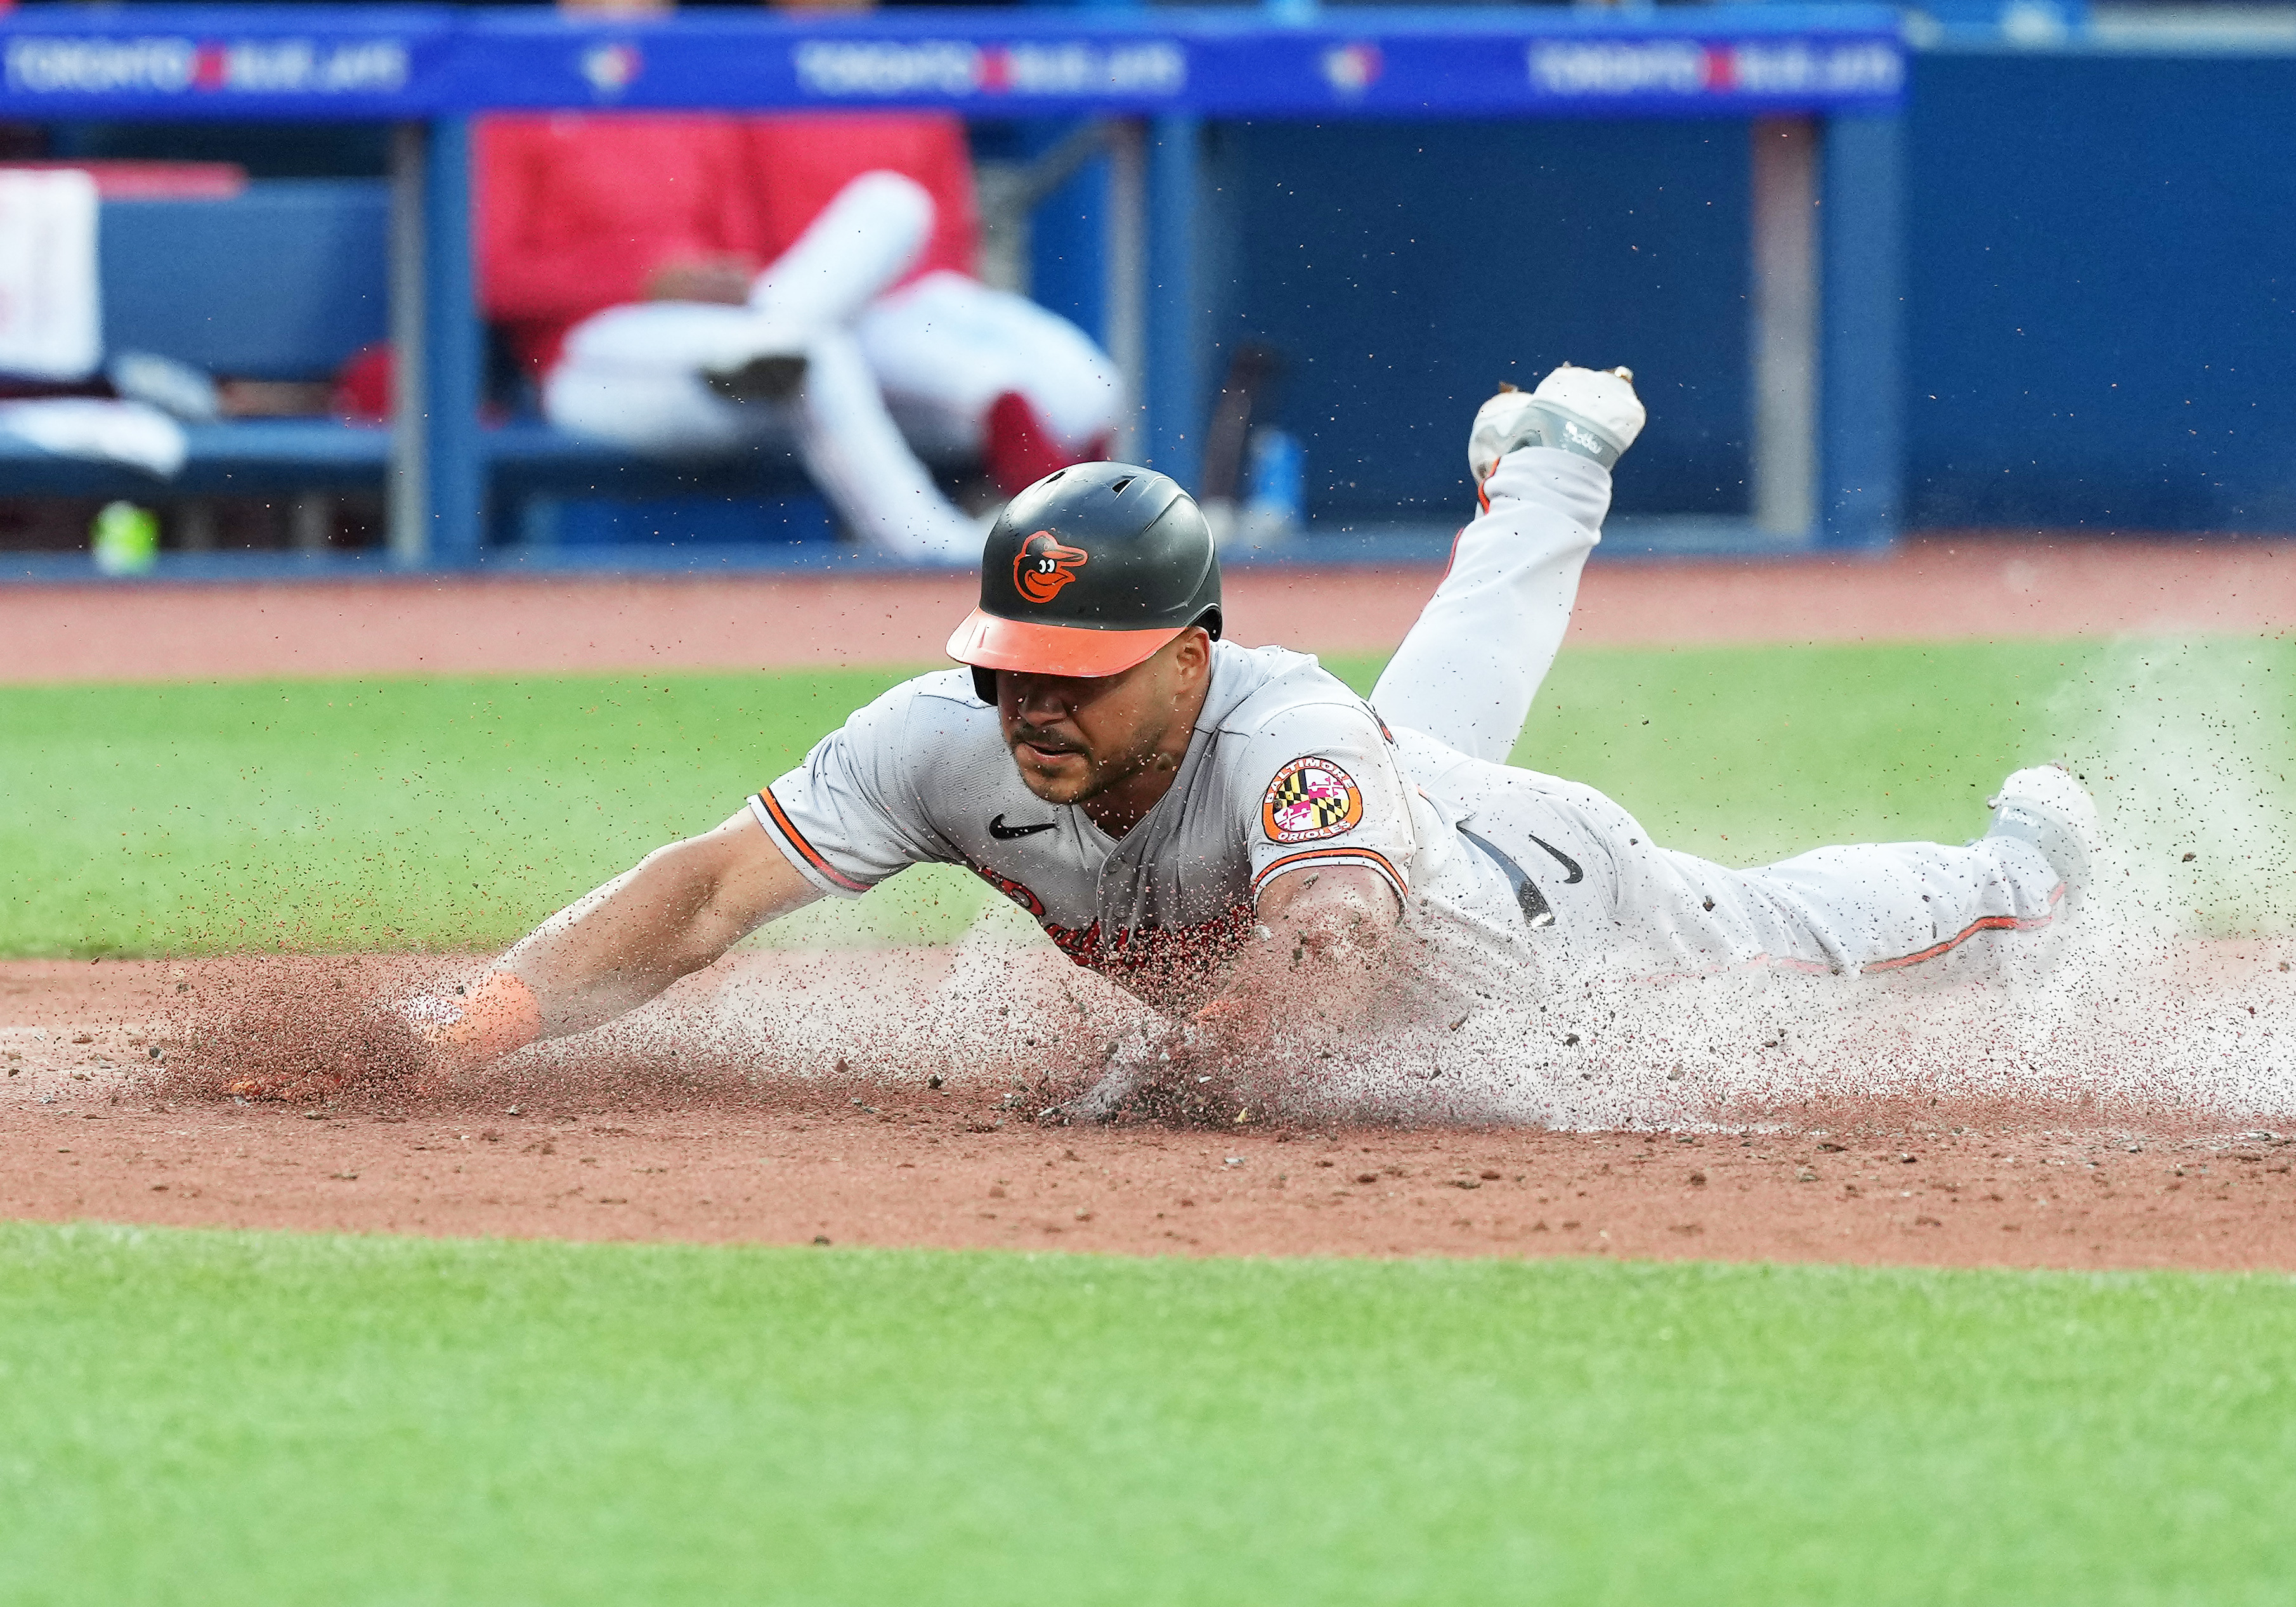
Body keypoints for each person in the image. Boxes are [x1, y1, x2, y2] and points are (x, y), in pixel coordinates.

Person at [317, 365, 2100, 1121]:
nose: (1032, 702)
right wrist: (485, 1013)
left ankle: (2017, 882)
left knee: (1766, 937)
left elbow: (1329, 940)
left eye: (1077, 670)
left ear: (1188, 653)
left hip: (1534, 906)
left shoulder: (1288, 739)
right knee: (1406, 730)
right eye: (1011, 662)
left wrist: (1180, 1081)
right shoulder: (950, 737)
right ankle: (1546, 471)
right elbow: (706, 890)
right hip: (1379, 807)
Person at [477, 109, 1121, 563]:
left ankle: (772, 338)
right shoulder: (518, 100)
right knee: (816, 352)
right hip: (592, 359)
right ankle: (942, 553)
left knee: (885, 216)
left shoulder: (693, 100)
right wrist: (643, 279)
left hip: (740, 337)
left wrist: (727, 281)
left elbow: (751, 244)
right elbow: (490, 277)